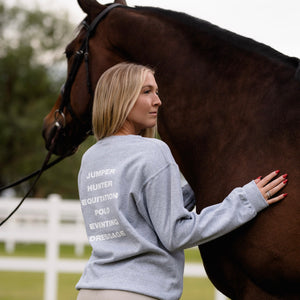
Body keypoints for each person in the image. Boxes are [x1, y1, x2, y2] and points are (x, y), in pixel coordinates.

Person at [76, 62, 288, 300]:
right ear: (121, 97)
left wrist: (204, 184)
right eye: (147, 91)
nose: (158, 101)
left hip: (90, 289)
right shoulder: (152, 151)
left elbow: (143, 215)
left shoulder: (91, 157)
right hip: (139, 292)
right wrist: (246, 201)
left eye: (156, 92)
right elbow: (176, 233)